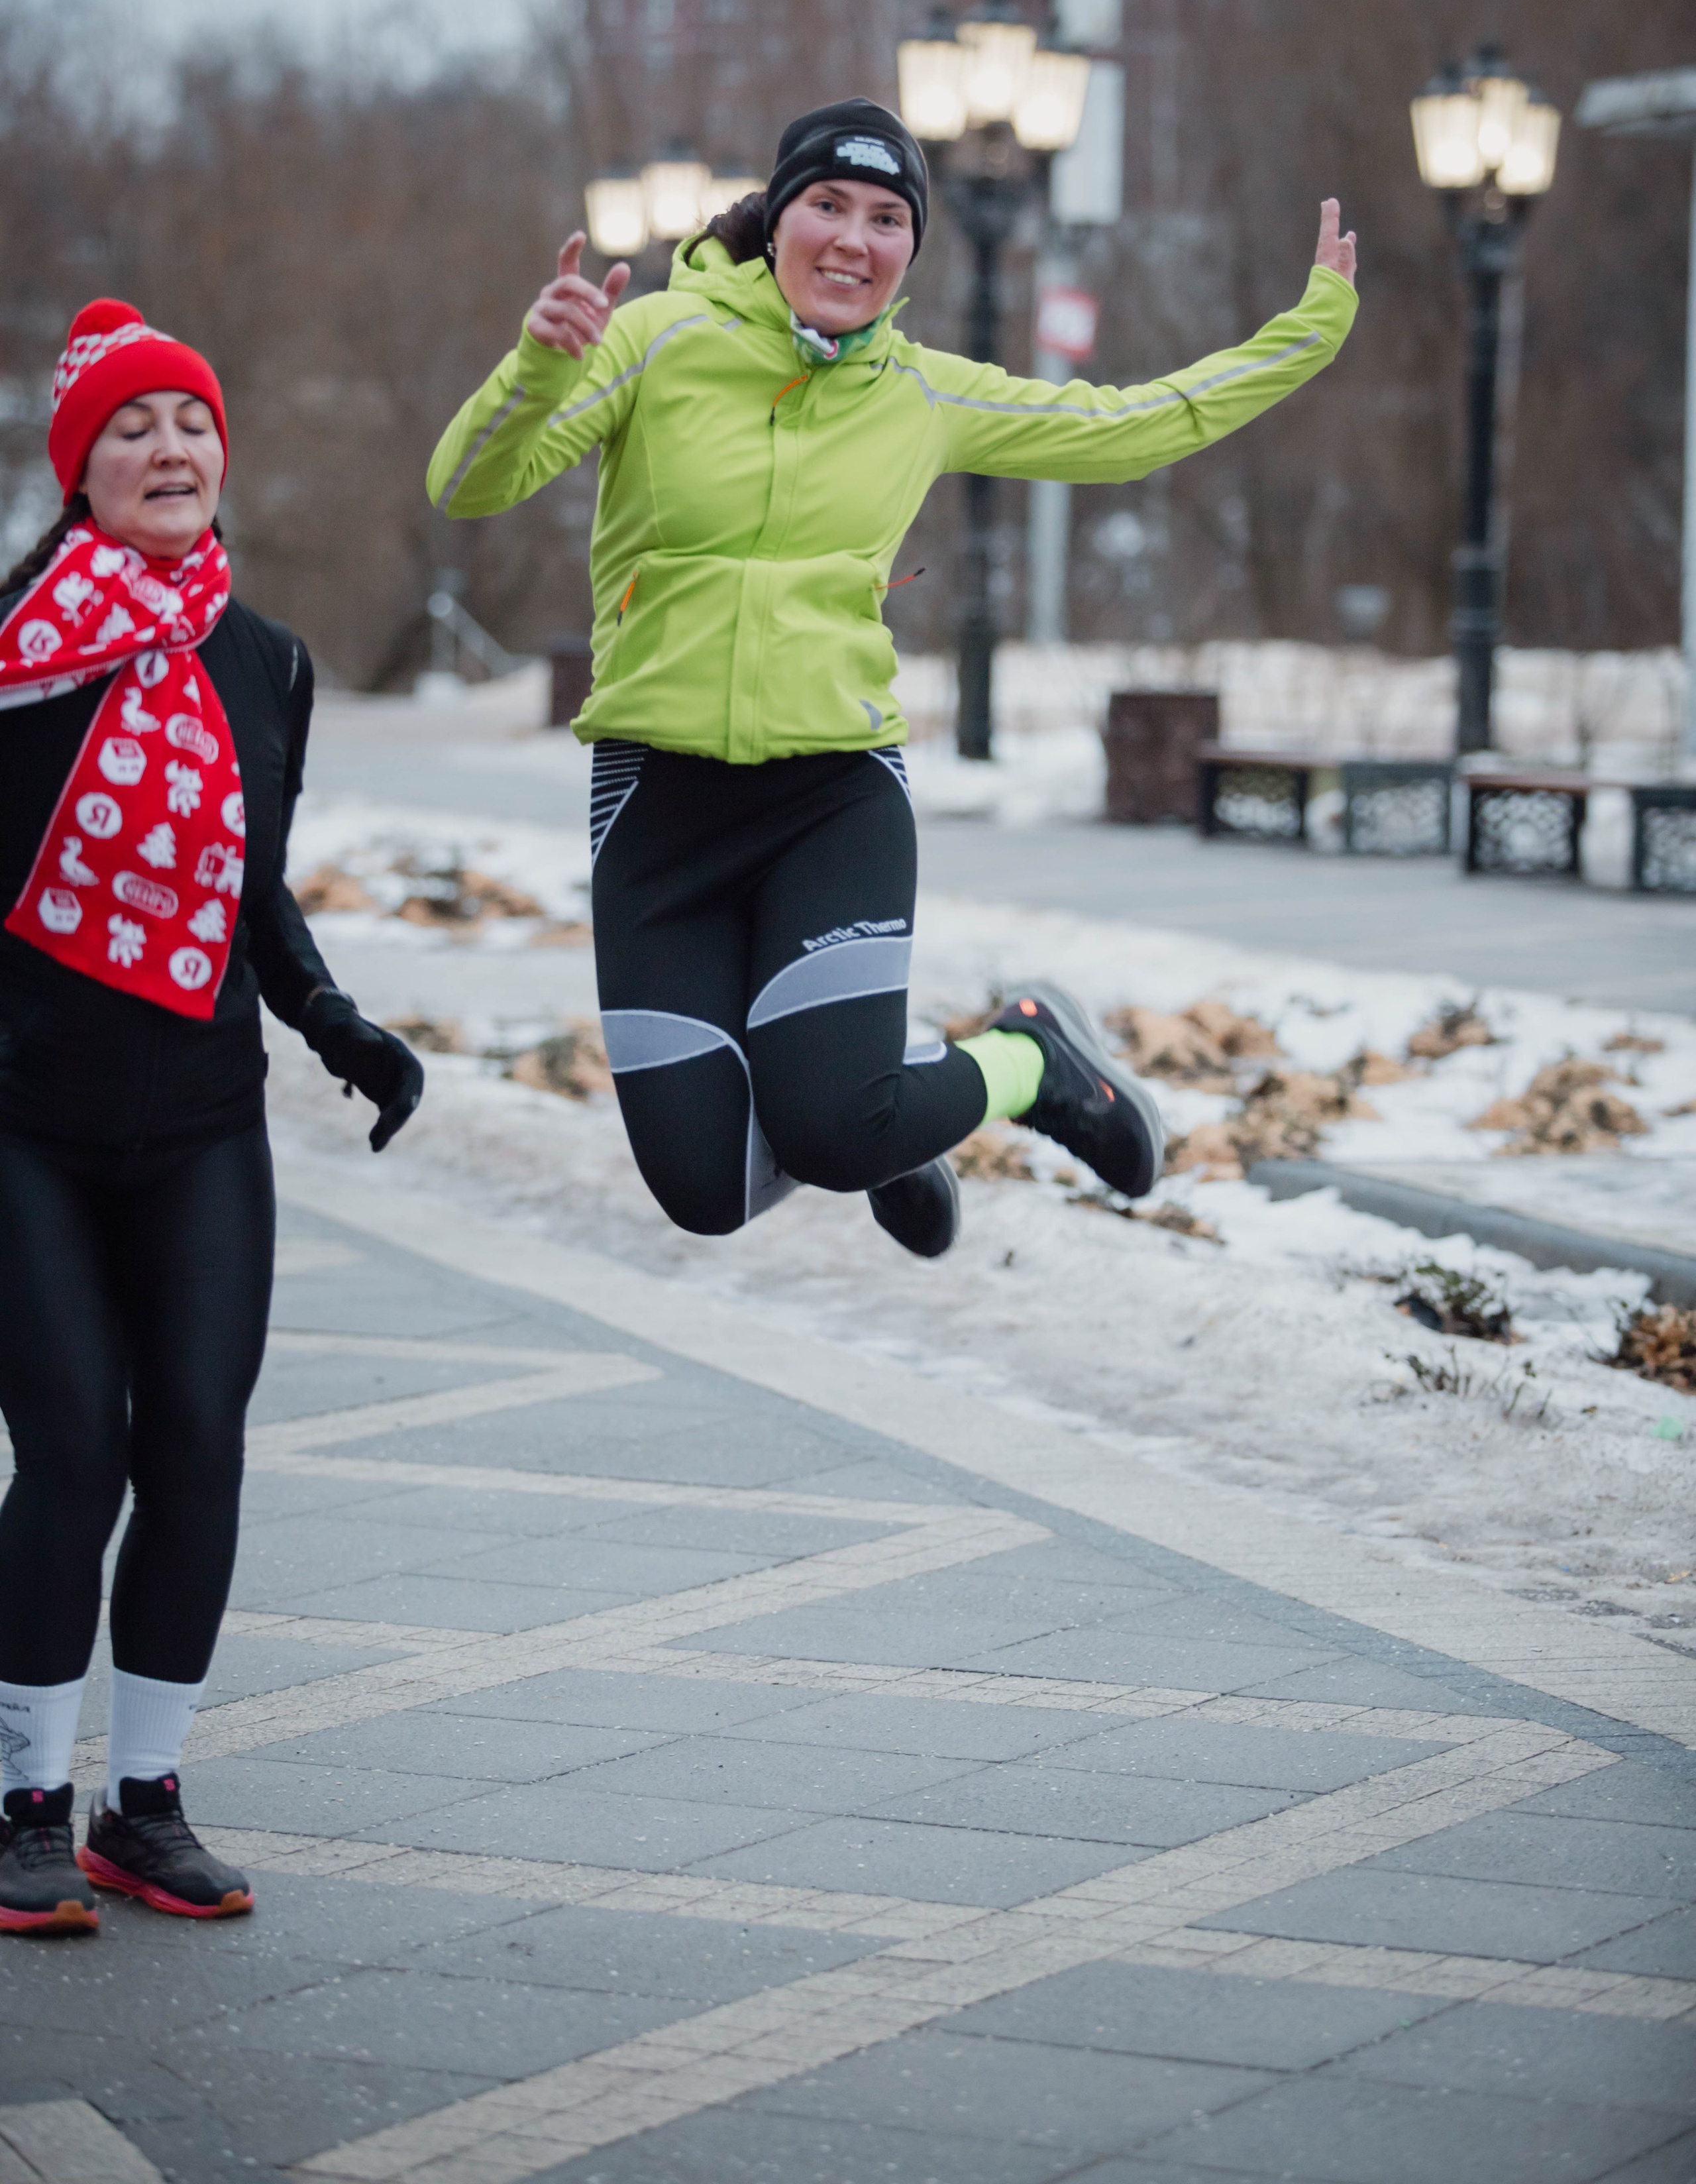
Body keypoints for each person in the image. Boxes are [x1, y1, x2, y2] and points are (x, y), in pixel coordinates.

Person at [429, 98, 1357, 1260]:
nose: (853, 241)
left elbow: (1132, 427)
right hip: (660, 813)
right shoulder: (651, 341)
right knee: (708, 1192)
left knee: (833, 1123)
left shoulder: (921, 392)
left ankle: (1028, 1060)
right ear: (777, 220)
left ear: (912, 248)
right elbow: (468, 484)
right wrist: (535, 366)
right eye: (827, 206)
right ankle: (895, 1118)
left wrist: (1309, 332)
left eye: (885, 218)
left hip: (833, 798)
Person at [0, 300, 424, 1936]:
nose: (170, 450)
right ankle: (26, 1799)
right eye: (132, 428)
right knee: (71, 1454)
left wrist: (332, 1019)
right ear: (81, 470)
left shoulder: (268, 662)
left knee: (196, 1451)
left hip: (200, 1120)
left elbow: (248, 890)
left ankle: (142, 1807)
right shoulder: (16, 651)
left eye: (189, 423)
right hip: (24, 1122)